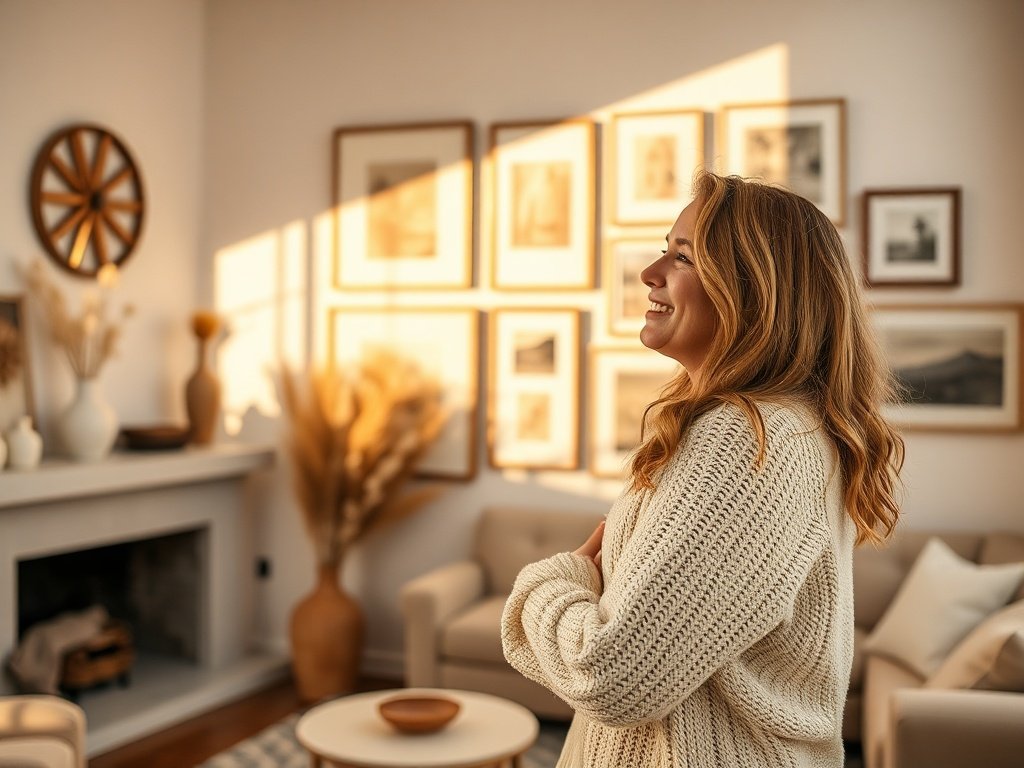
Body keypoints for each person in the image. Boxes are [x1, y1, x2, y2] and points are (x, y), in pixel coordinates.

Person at [501, 169, 904, 767]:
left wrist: (554, 580)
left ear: (755, 290)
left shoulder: (753, 440)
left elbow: (611, 674)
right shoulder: (775, 429)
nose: (650, 273)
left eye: (683, 257)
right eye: (664, 250)